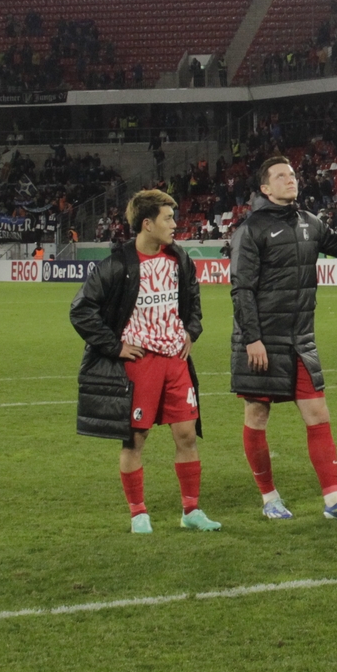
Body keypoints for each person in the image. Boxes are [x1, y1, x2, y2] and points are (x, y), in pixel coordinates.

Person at [68, 188, 218, 534]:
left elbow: (193, 303)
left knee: (186, 436)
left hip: (175, 362)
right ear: (147, 224)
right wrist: (114, 346)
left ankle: (191, 511)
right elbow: (81, 309)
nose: (175, 224)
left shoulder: (179, 258)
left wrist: (190, 332)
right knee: (135, 440)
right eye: (168, 218)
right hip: (139, 363)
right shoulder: (117, 264)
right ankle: (139, 514)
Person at [229, 155, 337, 521]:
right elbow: (242, 288)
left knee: (318, 413)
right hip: (261, 340)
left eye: (292, 174)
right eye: (279, 176)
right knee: (257, 415)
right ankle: (269, 498)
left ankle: (334, 499)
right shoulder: (252, 228)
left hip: (300, 339)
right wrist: (252, 339)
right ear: (264, 188)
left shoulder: (310, 222)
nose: (289, 179)